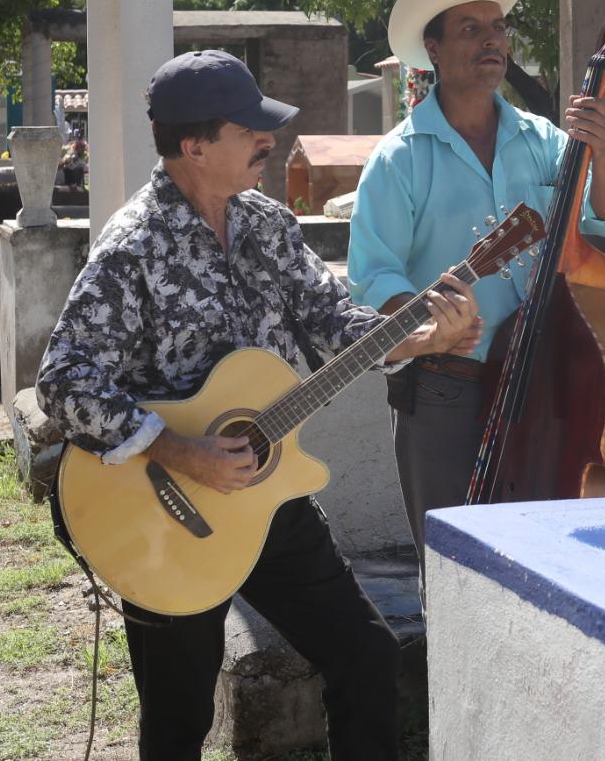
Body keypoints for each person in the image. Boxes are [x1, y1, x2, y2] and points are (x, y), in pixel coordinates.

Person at [38, 49, 480, 761]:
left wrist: (423, 337)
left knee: (365, 656)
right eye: (249, 131)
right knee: (179, 723)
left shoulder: (269, 226)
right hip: (162, 512)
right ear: (194, 147)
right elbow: (63, 380)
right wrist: (178, 448)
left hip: (268, 500)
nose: (268, 142)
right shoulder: (133, 247)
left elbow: (338, 328)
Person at [347, 0, 605, 566]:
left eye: (497, 27)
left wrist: (604, 153)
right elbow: (375, 278)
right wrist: (431, 330)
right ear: (432, 49)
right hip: (447, 387)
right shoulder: (398, 158)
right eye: (471, 29)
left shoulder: (547, 140)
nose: (492, 41)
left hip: (545, 382)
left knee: (548, 559)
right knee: (453, 568)